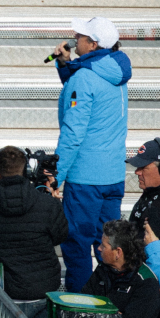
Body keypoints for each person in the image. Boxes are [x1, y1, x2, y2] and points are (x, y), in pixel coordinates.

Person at [47, 16, 134, 278]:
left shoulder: (84, 77)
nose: (75, 38)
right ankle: (112, 297)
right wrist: (66, 64)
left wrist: (56, 175)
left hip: (86, 179)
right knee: (110, 247)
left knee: (76, 245)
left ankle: (81, 303)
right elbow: (85, 90)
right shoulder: (116, 70)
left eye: (81, 36)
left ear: (93, 44)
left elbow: (73, 132)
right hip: (113, 176)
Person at [0, 144, 71, 298]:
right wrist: (54, 201)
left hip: (9, 287)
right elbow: (60, 236)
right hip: (47, 285)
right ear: (27, 171)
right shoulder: (48, 204)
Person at [87, 218, 160, 318]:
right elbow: (84, 303)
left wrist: (97, 316)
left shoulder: (146, 282)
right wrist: (113, 315)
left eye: (104, 246)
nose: (99, 248)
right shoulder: (102, 270)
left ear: (118, 252)